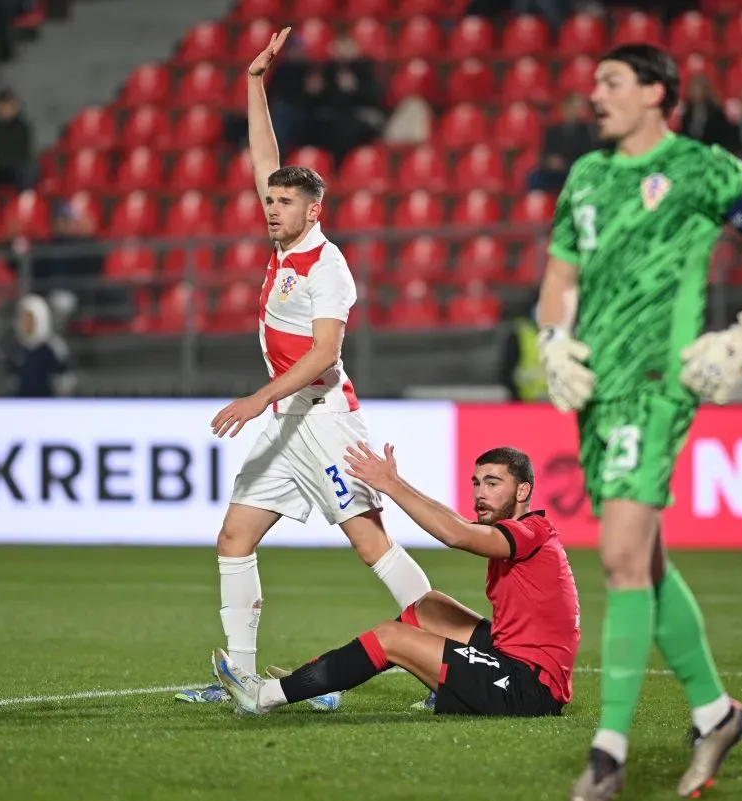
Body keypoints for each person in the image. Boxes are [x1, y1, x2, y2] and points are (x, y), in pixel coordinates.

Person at [535, 45, 742, 800]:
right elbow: (559, 276)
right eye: (594, 80)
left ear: (656, 93)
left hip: (662, 383)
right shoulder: (586, 178)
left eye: (612, 82)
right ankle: (717, 713)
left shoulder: (705, 168)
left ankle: (607, 754)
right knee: (644, 561)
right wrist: (553, 340)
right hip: (597, 389)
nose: (594, 94)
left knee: (622, 554)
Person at [176, 27, 432, 706]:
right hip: (287, 419)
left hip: (323, 418)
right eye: (269, 200)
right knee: (234, 536)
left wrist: (258, 398)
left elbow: (324, 354)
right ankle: (242, 675)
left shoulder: (327, 266)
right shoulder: (287, 245)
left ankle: (452, 661)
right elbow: (266, 153)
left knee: (372, 544)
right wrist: (255, 80)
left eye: (284, 202)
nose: (271, 208)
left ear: (314, 209)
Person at [213, 445, 580, 720]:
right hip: (511, 657)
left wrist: (392, 484)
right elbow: (460, 526)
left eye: (493, 483)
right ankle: (323, 684)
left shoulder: (532, 531)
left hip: (529, 688)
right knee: (429, 606)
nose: (480, 493)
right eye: (477, 483)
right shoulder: (521, 531)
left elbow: (456, 534)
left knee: (390, 637)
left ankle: (264, 697)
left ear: (522, 492)